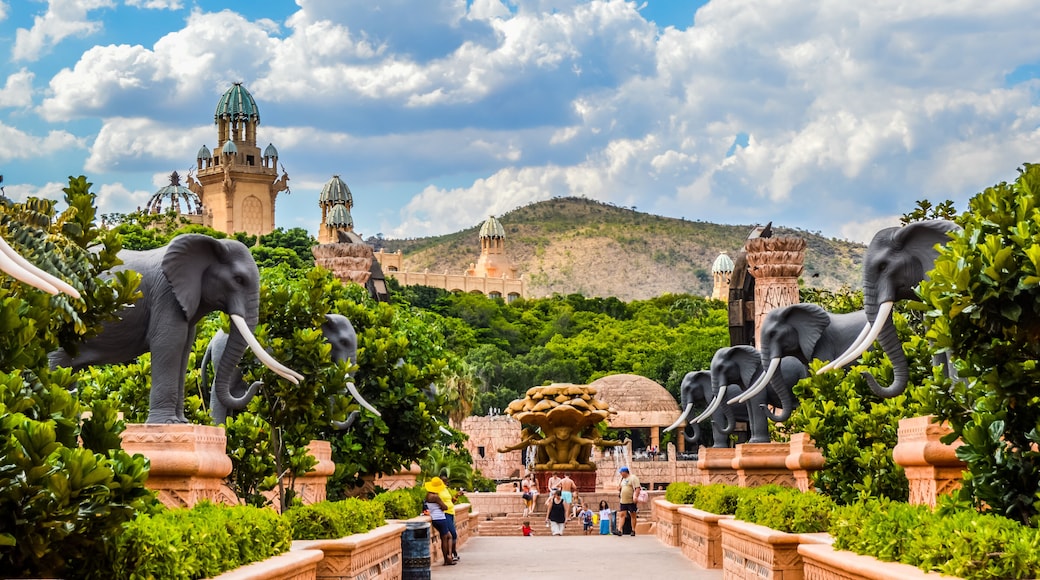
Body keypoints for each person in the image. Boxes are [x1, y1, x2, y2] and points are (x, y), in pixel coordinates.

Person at [424, 477, 456, 565]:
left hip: (434, 519)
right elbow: (444, 507)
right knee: (447, 537)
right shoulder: (435, 497)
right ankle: (448, 558)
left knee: (445, 537)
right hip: (440, 518)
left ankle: (448, 558)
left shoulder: (428, 496)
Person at [615, 466, 640, 536]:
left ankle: (633, 530)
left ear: (625, 472)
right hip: (623, 500)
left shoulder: (633, 478)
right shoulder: (622, 479)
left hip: (631, 500)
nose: (620, 473)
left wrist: (635, 496)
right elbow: (621, 488)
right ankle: (619, 530)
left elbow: (637, 488)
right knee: (622, 514)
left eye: (621, 472)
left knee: (633, 514)